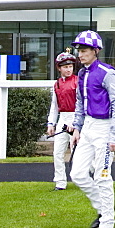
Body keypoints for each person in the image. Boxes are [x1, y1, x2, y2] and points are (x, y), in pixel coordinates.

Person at [69, 30, 115, 228]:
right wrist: (77, 128)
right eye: (79, 50)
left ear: (96, 51)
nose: (80, 54)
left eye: (84, 50)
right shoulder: (82, 73)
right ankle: (103, 209)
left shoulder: (108, 73)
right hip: (89, 127)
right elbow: (80, 103)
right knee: (77, 174)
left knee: (102, 175)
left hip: (105, 126)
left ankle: (107, 222)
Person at [46, 50, 79, 191]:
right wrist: (51, 123)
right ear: (59, 68)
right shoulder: (57, 84)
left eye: (70, 66)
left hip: (75, 117)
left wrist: (76, 123)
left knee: (76, 152)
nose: (68, 69)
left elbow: (81, 103)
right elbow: (54, 105)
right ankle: (60, 182)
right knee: (57, 152)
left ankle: (84, 179)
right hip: (62, 118)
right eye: (65, 67)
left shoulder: (78, 81)